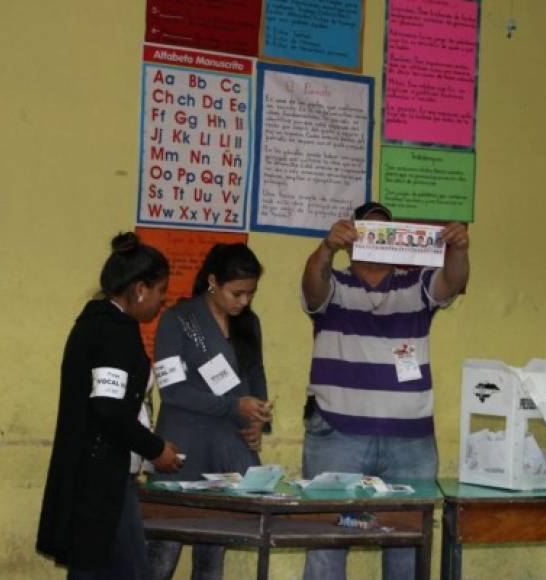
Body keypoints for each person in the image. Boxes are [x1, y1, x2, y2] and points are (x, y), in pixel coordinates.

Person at [300, 201, 470, 580]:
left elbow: (453, 281)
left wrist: (458, 247)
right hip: (336, 436)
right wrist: (326, 247)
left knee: (408, 548)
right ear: (353, 239)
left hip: (410, 442)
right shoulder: (336, 285)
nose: (378, 237)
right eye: (369, 230)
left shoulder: (417, 284)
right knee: (326, 543)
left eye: (385, 230)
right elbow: (312, 287)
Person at [37, 232, 184, 580]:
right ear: (140, 289)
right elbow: (107, 408)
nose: (162, 301)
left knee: (97, 570)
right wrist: (155, 448)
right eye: (161, 291)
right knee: (124, 571)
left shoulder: (98, 323)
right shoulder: (113, 330)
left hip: (98, 473)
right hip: (102, 479)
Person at [147, 243, 273, 580]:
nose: (244, 301)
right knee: (161, 556)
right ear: (213, 281)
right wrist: (234, 406)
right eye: (237, 293)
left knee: (211, 556)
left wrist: (257, 418)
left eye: (251, 294)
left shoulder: (250, 323)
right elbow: (171, 391)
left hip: (227, 453)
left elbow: (256, 378)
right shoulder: (178, 319)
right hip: (181, 450)